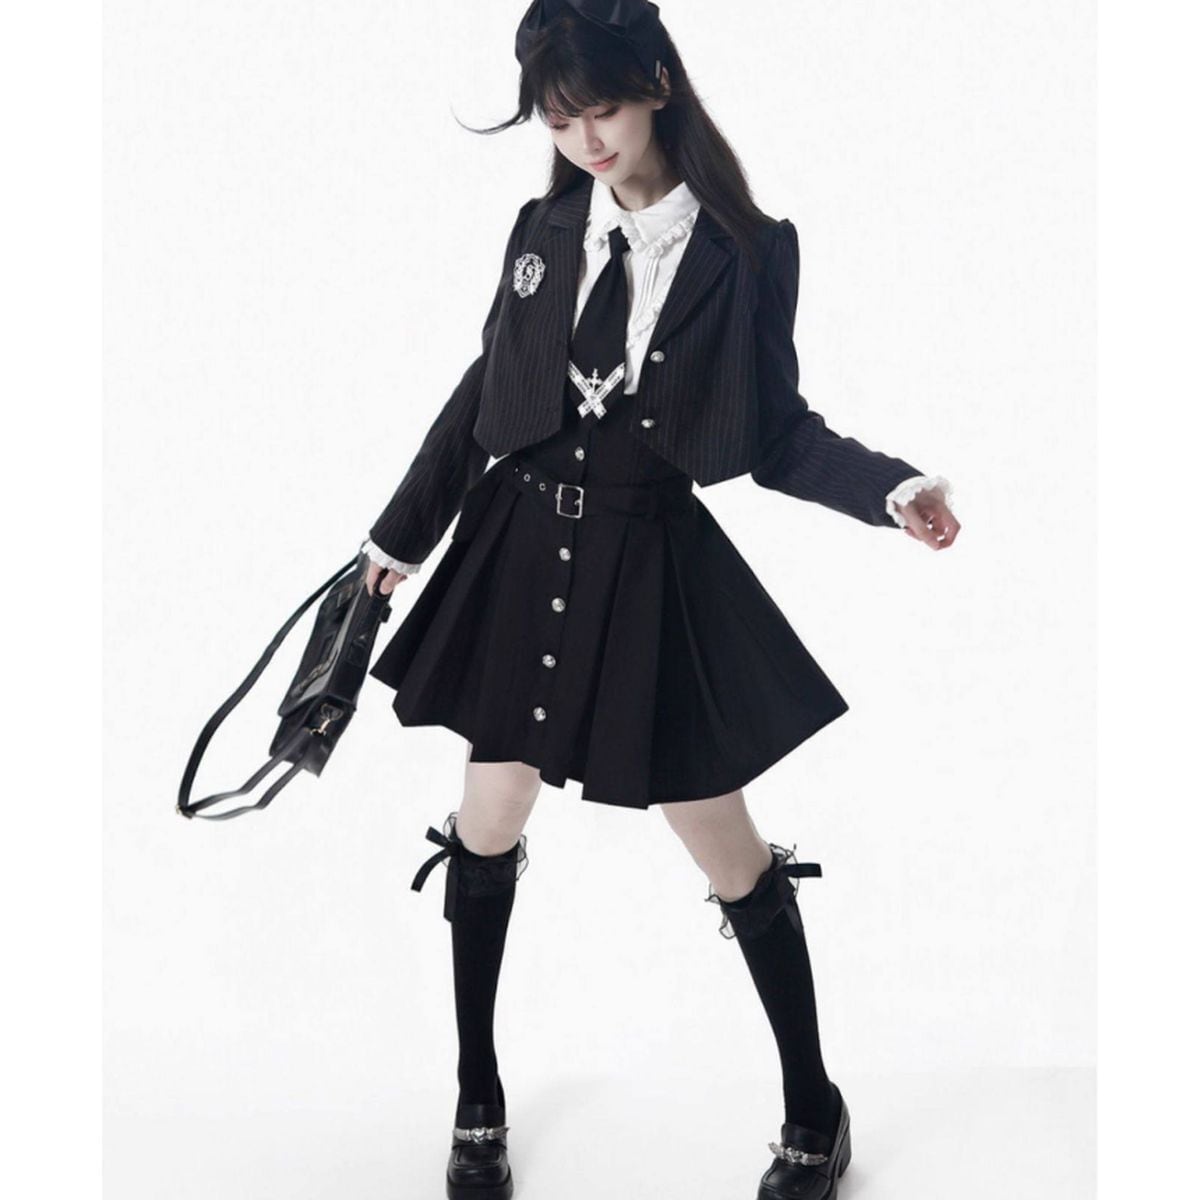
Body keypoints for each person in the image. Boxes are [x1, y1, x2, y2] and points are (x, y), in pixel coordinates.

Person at [359, 3, 960, 1197]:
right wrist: (400, 535)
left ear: (660, 87)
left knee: (721, 838)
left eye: (604, 110)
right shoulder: (542, 231)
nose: (586, 139)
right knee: (487, 814)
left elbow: (774, 432)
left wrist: (890, 488)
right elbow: (487, 393)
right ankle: (477, 1093)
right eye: (560, 119)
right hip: (522, 546)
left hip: (650, 563)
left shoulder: (746, 250)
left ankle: (814, 1104)